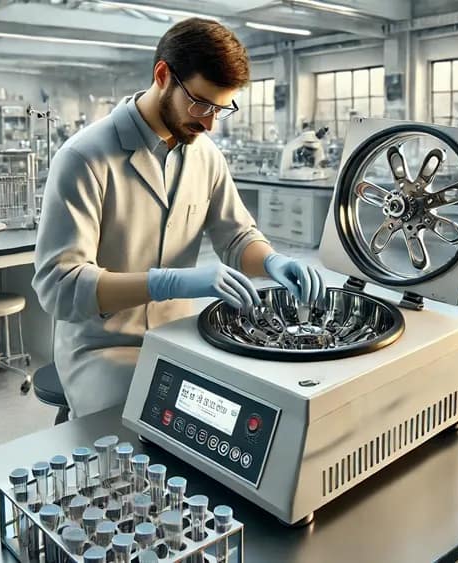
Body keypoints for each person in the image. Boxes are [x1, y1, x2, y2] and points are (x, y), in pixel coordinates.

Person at [32, 18, 325, 417]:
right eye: (201, 104)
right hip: (102, 347)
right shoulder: (83, 158)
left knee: (246, 410)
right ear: (162, 75)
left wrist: (273, 261)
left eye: (221, 109)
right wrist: (166, 283)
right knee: (154, 427)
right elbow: (59, 288)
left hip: (180, 337)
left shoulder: (205, 155)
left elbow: (237, 238)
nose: (208, 124)